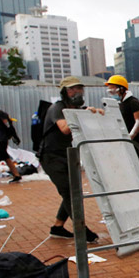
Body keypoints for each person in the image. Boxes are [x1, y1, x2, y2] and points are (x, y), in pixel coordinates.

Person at [39, 76, 101, 242]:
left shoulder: (76, 108)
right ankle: (82, 229)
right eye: (73, 89)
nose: (77, 92)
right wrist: (84, 114)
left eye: (80, 88)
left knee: (73, 191)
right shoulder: (57, 108)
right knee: (69, 192)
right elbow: (65, 129)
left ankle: (57, 227)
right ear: (64, 92)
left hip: (67, 155)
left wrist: (94, 113)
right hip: (51, 157)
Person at [105, 75, 139, 157]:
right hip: (126, 139)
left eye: (113, 90)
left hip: (136, 140)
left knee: (138, 163)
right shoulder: (120, 103)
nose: (112, 93)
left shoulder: (132, 102)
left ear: (122, 89)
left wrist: (130, 137)